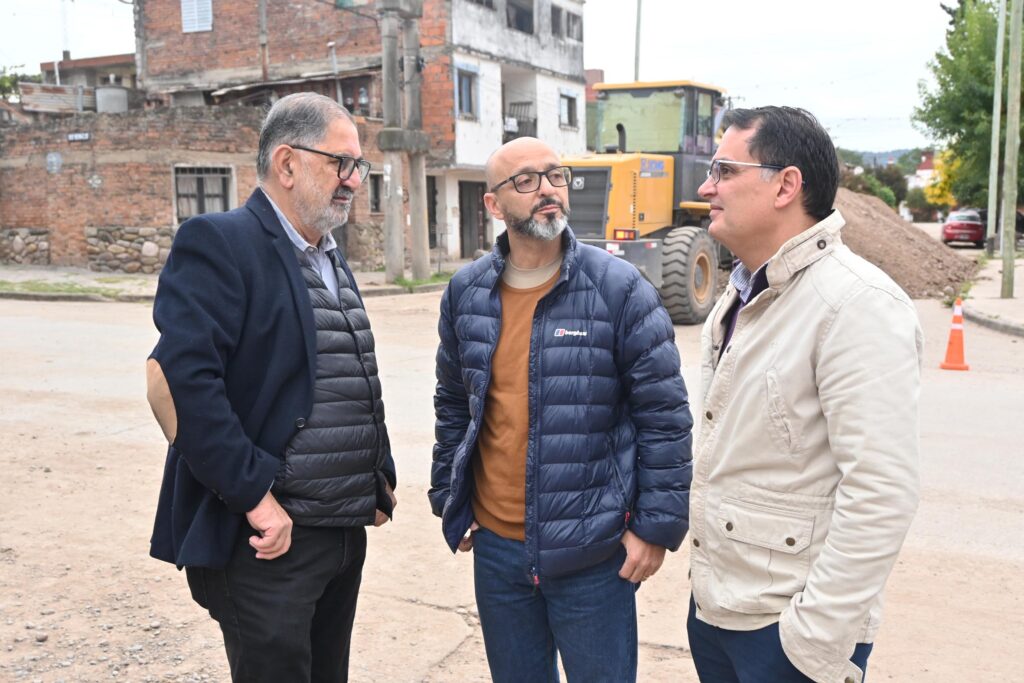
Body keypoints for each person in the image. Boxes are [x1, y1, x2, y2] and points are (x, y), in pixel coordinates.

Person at [146, 92, 397, 683]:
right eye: (341, 163)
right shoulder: (220, 241)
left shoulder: (328, 255)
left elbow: (344, 371)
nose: (353, 180)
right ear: (287, 163)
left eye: (358, 166)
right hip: (267, 541)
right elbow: (182, 383)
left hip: (338, 532)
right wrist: (256, 500)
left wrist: (376, 477)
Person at [430, 136, 693, 682]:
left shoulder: (619, 288)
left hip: (592, 553)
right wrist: (448, 495)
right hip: (498, 553)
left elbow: (664, 416)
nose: (547, 189)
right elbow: (454, 402)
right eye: (526, 180)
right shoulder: (466, 292)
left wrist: (655, 527)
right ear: (493, 203)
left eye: (555, 176)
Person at [687, 106, 922, 683]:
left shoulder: (856, 303)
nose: (706, 187)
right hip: (719, 609)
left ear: (785, 185)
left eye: (724, 170)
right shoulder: (740, 295)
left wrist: (813, 636)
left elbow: (881, 492)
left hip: (787, 631)